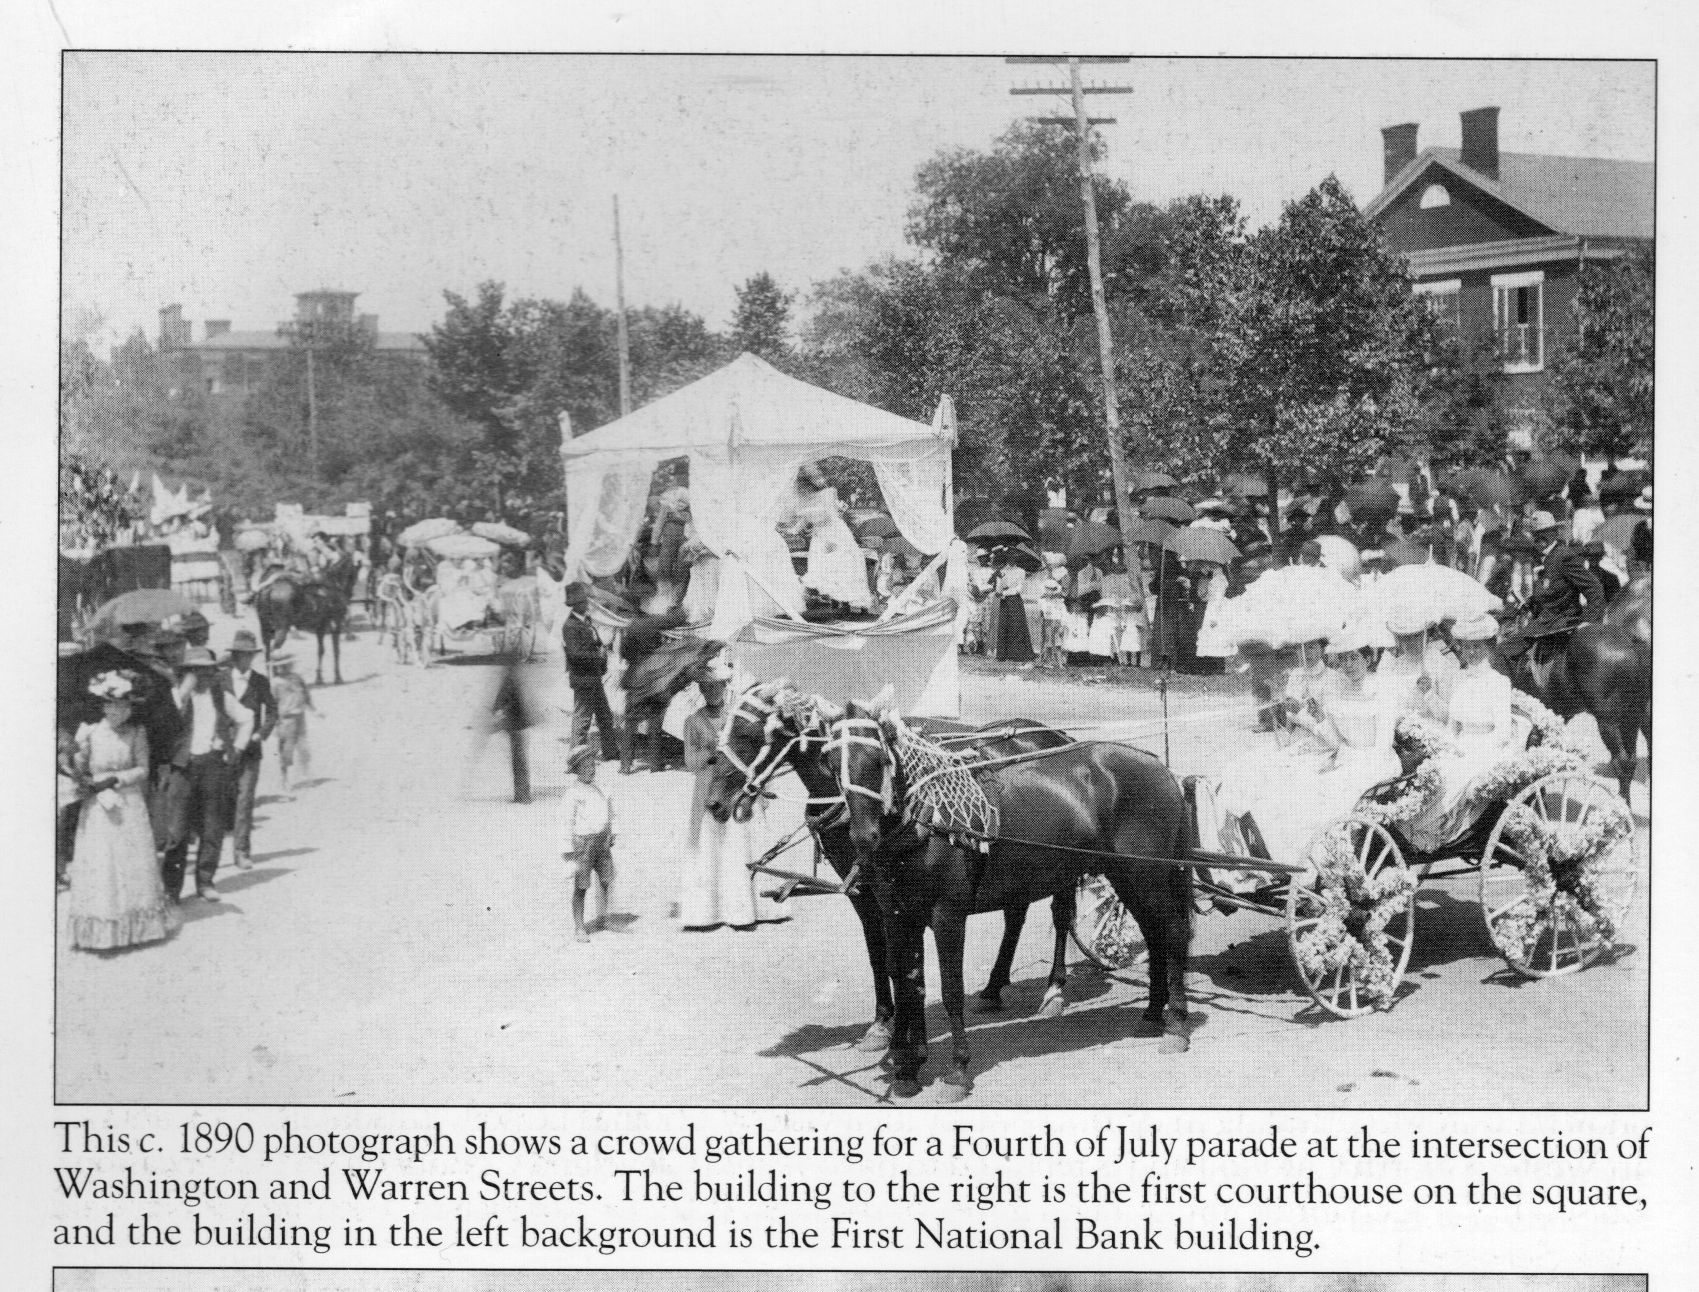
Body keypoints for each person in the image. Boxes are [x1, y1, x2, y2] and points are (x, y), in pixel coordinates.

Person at [65, 672, 184, 951]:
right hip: (98, 806)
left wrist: (118, 779)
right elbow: (80, 768)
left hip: (127, 802)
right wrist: (75, 753)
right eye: (112, 705)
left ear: (130, 708)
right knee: (102, 862)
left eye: (124, 706)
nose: (118, 711)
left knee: (131, 861)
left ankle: (137, 928)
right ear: (103, 706)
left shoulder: (136, 732)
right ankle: (101, 929)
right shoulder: (91, 732)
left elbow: (143, 768)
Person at [1406, 613, 1522, 851]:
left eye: (1477, 647)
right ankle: (1412, 833)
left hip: (1486, 750)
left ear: (1489, 647)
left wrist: (1470, 753)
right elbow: (1452, 723)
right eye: (1467, 647)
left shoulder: (1498, 682)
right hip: (1459, 745)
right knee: (1426, 774)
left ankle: (1434, 833)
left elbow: (1502, 733)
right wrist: (1446, 746)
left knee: (1451, 776)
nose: (1471, 653)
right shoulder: (1460, 678)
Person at [162, 647, 252, 902]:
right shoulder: (175, 697)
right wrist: (184, 690)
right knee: (177, 832)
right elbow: (166, 721)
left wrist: (237, 747)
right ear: (187, 673)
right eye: (197, 672)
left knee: (212, 828)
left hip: (213, 766)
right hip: (183, 768)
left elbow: (247, 718)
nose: (204, 677)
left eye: (207, 672)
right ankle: (171, 890)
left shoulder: (221, 697)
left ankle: (205, 882)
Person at [678, 678, 762, 930]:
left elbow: (755, 751)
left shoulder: (737, 718)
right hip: (706, 789)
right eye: (707, 687)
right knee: (709, 849)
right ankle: (705, 914)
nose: (712, 692)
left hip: (734, 786)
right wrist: (714, 753)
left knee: (736, 847)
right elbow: (690, 762)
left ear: (725, 688)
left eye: (717, 687)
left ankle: (741, 912)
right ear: (701, 691)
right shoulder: (693, 722)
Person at [1500, 510, 1606, 663]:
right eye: (1535, 534)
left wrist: (1589, 623)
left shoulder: (1563, 556)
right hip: (1546, 620)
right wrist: (1529, 602)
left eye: (1544, 533)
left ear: (1555, 533)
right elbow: (1551, 591)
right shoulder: (1545, 557)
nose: (1539, 538)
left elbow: (1594, 588)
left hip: (1557, 623)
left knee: (1502, 652)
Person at [222, 629, 277, 869]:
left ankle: (242, 852)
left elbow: (273, 711)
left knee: (245, 800)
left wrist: (261, 733)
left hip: (251, 751)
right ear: (233, 656)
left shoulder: (260, 681)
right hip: (223, 749)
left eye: (249, 655)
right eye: (241, 655)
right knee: (222, 801)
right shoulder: (220, 679)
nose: (245, 659)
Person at [794, 465, 873, 611]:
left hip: (834, 532)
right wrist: (794, 530)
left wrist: (831, 540)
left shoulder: (829, 492)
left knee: (841, 565)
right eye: (813, 478)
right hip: (819, 536)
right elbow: (804, 519)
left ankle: (847, 603)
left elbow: (831, 515)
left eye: (818, 477)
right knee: (823, 569)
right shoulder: (805, 498)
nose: (818, 480)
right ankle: (833, 603)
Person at [561, 744, 616, 942]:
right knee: (581, 885)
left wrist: (613, 831)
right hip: (583, 844)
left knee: (607, 879)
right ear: (576, 770)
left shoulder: (600, 788)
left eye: (592, 765)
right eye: (584, 767)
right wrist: (567, 849)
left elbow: (610, 811)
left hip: (601, 841)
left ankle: (604, 917)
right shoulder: (573, 793)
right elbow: (566, 821)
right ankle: (579, 926)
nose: (590, 770)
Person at [561, 582, 620, 762]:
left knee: (604, 716)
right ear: (576, 604)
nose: (588, 603)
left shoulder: (584, 621)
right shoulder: (570, 626)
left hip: (592, 677)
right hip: (583, 679)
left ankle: (610, 752)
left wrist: (599, 649)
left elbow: (592, 644)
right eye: (584, 601)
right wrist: (598, 655)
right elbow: (576, 654)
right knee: (583, 719)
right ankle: (575, 758)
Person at [489, 648, 534, 804]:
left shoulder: (509, 677)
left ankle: (522, 796)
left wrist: (494, 710)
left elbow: (501, 698)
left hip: (515, 724)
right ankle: (523, 794)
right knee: (520, 760)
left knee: (518, 761)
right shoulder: (514, 676)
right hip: (519, 724)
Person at [270, 656, 316, 789]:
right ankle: (285, 779)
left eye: (285, 665)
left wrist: (314, 709)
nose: (282, 668)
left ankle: (306, 774)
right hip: (286, 719)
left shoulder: (297, 678)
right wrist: (275, 722)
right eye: (279, 666)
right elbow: (272, 704)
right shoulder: (275, 682)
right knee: (286, 750)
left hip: (300, 716)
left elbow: (306, 695)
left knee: (303, 747)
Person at [990, 551, 1035, 662]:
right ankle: (1003, 654)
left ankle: (1017, 654)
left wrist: (1005, 592)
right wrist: (999, 590)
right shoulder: (1001, 571)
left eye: (1014, 557)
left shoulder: (1021, 571)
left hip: (1015, 601)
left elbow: (1019, 588)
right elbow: (998, 588)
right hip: (1004, 601)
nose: (1011, 560)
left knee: (1016, 625)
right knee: (1004, 624)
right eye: (1009, 557)